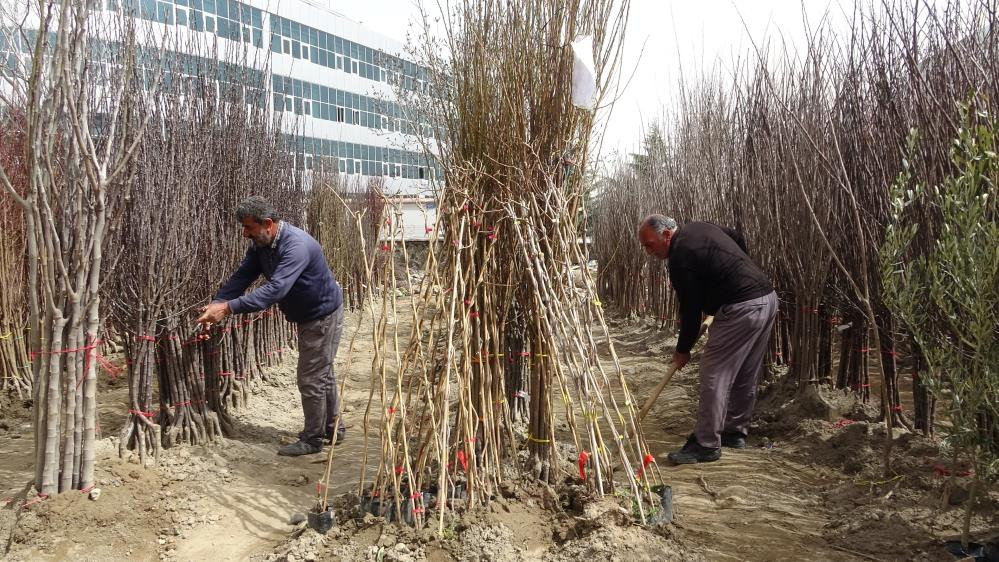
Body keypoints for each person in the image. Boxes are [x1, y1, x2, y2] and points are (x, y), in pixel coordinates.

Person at [197, 196, 346, 456]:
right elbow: (243, 275)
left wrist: (228, 308)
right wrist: (218, 301)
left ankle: (312, 439)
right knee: (322, 371)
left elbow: (276, 289)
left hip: (322, 315)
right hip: (309, 314)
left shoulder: (295, 246)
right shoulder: (261, 246)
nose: (245, 234)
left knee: (311, 378)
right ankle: (333, 428)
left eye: (248, 228)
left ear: (267, 223)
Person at [637, 215, 777, 464]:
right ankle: (734, 432)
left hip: (741, 308)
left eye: (650, 244)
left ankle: (706, 444)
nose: (648, 252)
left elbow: (690, 311)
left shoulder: (679, 258)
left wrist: (683, 351)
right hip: (766, 299)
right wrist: (732, 275)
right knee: (746, 372)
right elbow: (736, 235)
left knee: (714, 374)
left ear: (667, 235)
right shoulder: (700, 227)